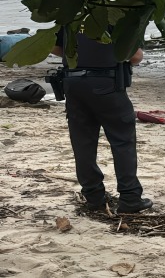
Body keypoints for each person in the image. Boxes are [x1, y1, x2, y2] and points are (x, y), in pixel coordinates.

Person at [52, 28, 152, 213]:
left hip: (72, 83)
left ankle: (94, 197)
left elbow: (55, 47)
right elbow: (136, 57)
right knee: (122, 141)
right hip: (107, 83)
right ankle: (130, 198)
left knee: (82, 143)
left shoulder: (70, 13)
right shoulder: (118, 15)